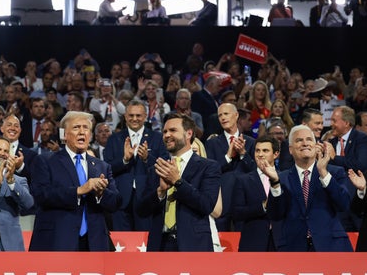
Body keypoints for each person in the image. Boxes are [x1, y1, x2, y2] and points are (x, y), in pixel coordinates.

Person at [29, 111, 121, 251]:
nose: (82, 132)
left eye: (86, 128)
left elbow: (115, 202)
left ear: (90, 136)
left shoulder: (102, 166)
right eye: (76, 127)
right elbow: (41, 194)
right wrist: (78, 191)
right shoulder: (46, 161)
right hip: (58, 240)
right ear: (64, 135)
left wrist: (101, 193)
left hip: (94, 243)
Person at [259, 125, 353, 252]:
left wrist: (323, 173)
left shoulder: (335, 173)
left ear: (315, 145)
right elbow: (275, 215)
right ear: (290, 149)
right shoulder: (281, 177)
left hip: (330, 247)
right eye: (299, 140)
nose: (305, 143)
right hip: (294, 249)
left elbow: (344, 204)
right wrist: (275, 183)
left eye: (309, 139)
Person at [139, 113, 221, 251]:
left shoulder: (208, 167)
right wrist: (160, 192)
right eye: (164, 131)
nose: (166, 135)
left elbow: (206, 205)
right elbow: (141, 210)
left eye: (173, 130)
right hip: (160, 245)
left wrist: (178, 182)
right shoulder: (157, 168)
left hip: (194, 245)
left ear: (188, 134)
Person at [104, 100, 166, 231]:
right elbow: (107, 167)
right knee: (121, 243)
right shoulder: (114, 139)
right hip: (120, 199)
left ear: (145, 116)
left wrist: (147, 158)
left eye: (138, 115)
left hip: (146, 198)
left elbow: (164, 165)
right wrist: (125, 160)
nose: (134, 119)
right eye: (131, 115)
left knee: (145, 245)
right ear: (125, 117)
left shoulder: (157, 138)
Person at [204, 103, 256, 231]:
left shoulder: (251, 142)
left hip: (245, 202)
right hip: (222, 203)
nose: (222, 118)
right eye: (220, 115)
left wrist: (243, 154)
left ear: (236, 115)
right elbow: (210, 171)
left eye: (226, 114)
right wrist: (228, 156)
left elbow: (256, 172)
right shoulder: (211, 143)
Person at [232, 136, 285, 251]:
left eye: (265, 151)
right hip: (253, 242)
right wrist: (262, 206)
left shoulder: (285, 178)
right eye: (257, 150)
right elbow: (236, 212)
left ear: (276, 154)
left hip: (281, 242)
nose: (260, 154)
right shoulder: (243, 180)